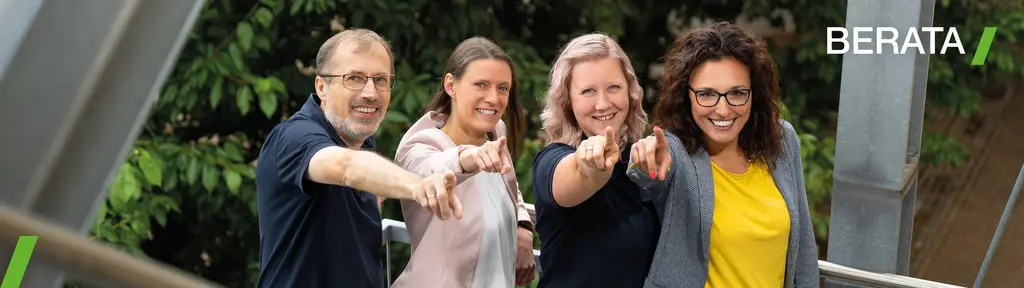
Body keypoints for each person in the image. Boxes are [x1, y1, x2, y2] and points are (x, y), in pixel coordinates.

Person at [255, 28, 462, 288]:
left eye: (381, 79)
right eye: (354, 78)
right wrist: (418, 186)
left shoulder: (359, 139)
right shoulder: (294, 136)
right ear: (322, 86)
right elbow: (347, 168)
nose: (371, 93)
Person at [627, 21, 819, 288]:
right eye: (707, 94)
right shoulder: (677, 152)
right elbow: (648, 176)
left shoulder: (782, 140)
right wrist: (644, 162)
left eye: (737, 93)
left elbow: (804, 249)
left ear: (755, 93)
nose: (723, 110)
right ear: (686, 96)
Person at [392, 36, 536, 288]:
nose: (494, 98)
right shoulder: (418, 147)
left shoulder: (496, 132)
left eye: (503, 88)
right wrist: (467, 157)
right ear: (451, 85)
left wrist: (522, 225)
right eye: (481, 84)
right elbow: (432, 169)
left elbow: (508, 191)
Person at [530, 33, 660, 288]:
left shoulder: (639, 160)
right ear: (568, 102)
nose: (603, 103)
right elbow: (581, 175)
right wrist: (594, 166)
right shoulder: (551, 161)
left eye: (613, 87)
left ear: (630, 92)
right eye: (588, 91)